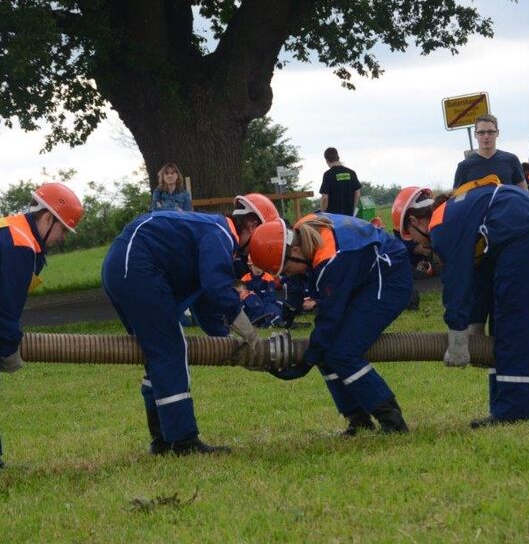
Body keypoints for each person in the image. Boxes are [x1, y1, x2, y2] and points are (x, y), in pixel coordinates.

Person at [101, 193, 278, 457]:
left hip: (121, 267)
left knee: (157, 355)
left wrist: (224, 338)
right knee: (170, 351)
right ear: (252, 226)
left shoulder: (211, 231)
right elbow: (217, 288)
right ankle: (183, 441)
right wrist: (249, 334)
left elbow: (204, 302)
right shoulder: (219, 233)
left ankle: (162, 439)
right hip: (137, 267)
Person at [396, 179, 529, 428]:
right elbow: (479, 276)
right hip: (522, 226)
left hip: (524, 230)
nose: (418, 245)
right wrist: (476, 324)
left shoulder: (442, 225)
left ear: (415, 222)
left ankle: (514, 413)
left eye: (413, 238)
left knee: (515, 320)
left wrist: (458, 336)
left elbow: (456, 280)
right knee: (503, 319)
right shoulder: (455, 213)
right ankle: (503, 408)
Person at [249, 214, 414, 435]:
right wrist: (290, 309)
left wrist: (306, 361)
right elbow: (296, 277)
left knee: (342, 352)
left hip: (390, 277)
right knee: (326, 352)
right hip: (366, 273)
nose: (286, 275)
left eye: (285, 270)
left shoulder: (331, 260)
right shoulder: (301, 234)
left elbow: (329, 318)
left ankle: (392, 420)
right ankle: (358, 419)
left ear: (295, 253)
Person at [0, 182, 84, 468]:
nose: (63, 238)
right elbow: (6, 308)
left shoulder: (18, 234)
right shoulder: (20, 244)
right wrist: (9, 348)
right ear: (47, 218)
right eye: (63, 229)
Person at [454, 115, 527, 191]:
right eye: (481, 132)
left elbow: (524, 193)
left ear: (497, 133)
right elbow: (456, 199)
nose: (486, 136)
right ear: (475, 134)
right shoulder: (464, 166)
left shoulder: (511, 160)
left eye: (490, 132)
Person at [319, 147, 361, 216]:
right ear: (338, 157)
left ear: (326, 160)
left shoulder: (328, 175)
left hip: (334, 219)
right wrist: (352, 211)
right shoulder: (351, 173)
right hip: (349, 218)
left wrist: (323, 214)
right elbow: (357, 194)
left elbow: (324, 198)